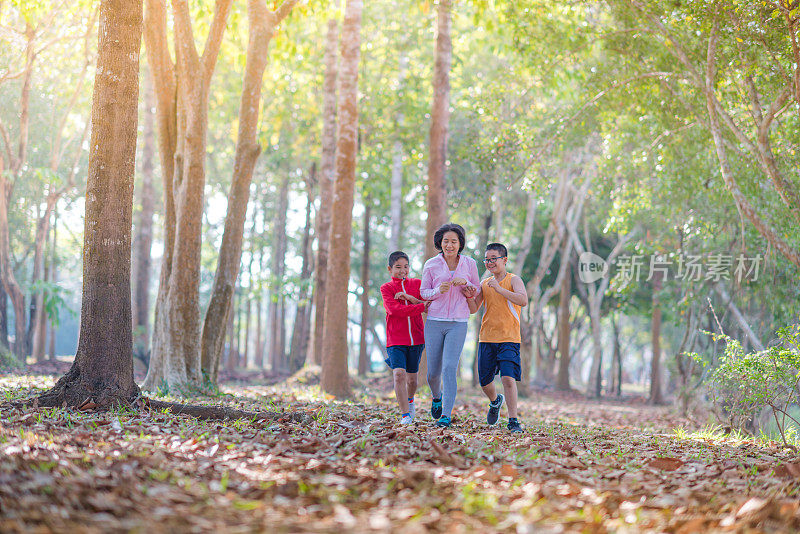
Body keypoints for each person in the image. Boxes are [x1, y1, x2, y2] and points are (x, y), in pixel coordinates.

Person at [420, 223, 480, 428]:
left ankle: (446, 414)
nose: (450, 245)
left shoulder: (470, 263)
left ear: (460, 243)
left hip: (458, 322)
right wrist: (437, 290)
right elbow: (423, 292)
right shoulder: (431, 264)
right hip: (434, 322)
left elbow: (476, 290)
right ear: (440, 243)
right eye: (446, 241)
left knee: (449, 368)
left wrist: (465, 283)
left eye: (454, 241)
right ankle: (436, 397)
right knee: (433, 373)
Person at [464, 242, 528, 433]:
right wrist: (468, 296)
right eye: (487, 259)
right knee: (485, 382)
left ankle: (513, 420)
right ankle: (494, 401)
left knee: (508, 379)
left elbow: (523, 300)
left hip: (509, 338)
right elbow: (474, 309)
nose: (490, 262)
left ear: (504, 260)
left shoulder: (514, 280)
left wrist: (499, 289)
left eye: (494, 259)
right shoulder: (485, 283)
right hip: (486, 338)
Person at [380, 251, 428, 424]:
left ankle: (410, 400)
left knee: (412, 380)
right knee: (399, 375)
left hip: (416, 338)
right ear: (390, 268)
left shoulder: (417, 284)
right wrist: (419, 306)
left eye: (406, 267)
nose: (403, 271)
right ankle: (405, 415)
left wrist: (409, 298)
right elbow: (394, 311)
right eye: (398, 267)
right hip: (395, 340)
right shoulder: (386, 288)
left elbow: (428, 306)